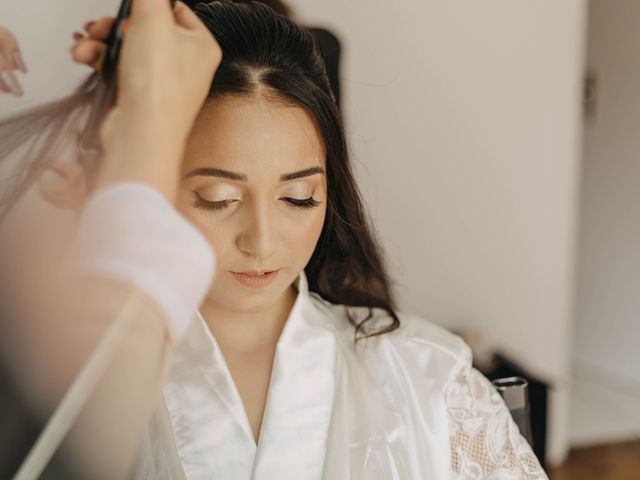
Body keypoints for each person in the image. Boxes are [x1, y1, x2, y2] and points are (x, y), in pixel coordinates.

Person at [2, 1, 549, 478]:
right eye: (217, 198)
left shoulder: (430, 380)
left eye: (299, 198)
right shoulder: (65, 377)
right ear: (146, 183)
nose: (262, 243)